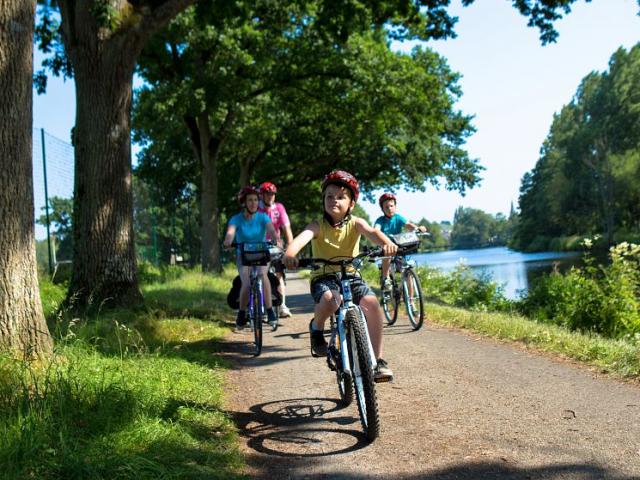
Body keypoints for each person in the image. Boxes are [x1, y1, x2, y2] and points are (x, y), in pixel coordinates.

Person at [283, 170, 397, 382]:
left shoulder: (356, 223)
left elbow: (374, 234)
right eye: (329, 196)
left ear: (351, 204)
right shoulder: (317, 225)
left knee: (372, 303)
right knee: (331, 301)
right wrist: (290, 255)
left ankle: (378, 361)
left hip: (351, 275)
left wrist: (387, 245)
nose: (334, 200)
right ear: (323, 199)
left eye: (340, 197)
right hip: (324, 278)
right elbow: (300, 241)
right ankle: (316, 328)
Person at [224, 186, 279, 330]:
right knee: (247, 284)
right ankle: (242, 314)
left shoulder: (263, 217)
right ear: (244, 202)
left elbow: (272, 231)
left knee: (263, 275)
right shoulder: (236, 219)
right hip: (243, 255)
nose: (253, 203)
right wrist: (228, 241)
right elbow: (230, 233)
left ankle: (269, 311)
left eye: (255, 200)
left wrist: (275, 239)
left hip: (261, 253)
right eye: (250, 200)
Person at [374, 192, 427, 289]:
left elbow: (409, 225)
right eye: (386, 207)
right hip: (386, 247)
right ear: (382, 209)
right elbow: (376, 229)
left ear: (395, 206)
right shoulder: (380, 220)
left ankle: (410, 301)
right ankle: (385, 278)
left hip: (399, 246)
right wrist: (376, 232)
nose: (389, 208)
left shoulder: (398, 218)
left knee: (408, 273)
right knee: (388, 253)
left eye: (391, 206)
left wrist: (418, 228)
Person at [258, 181, 294, 318]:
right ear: (261, 195)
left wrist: (291, 248)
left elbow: (287, 229)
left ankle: (282, 305)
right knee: (259, 274)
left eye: (272, 194)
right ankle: (259, 305)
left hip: (275, 246)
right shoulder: (257, 208)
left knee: (279, 274)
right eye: (267, 194)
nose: (270, 196)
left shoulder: (279, 208)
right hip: (258, 246)